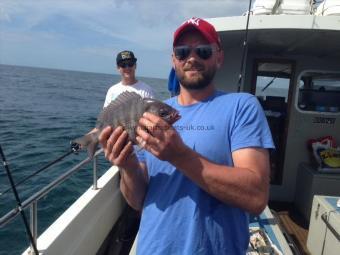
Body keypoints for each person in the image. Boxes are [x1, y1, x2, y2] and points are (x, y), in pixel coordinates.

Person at [99, 17, 274, 254]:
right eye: (182, 52)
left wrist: (180, 156)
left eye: (203, 51)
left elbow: (256, 197)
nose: (192, 58)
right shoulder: (152, 113)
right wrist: (128, 165)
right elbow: (137, 200)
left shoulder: (242, 107)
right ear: (174, 60)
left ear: (219, 57)